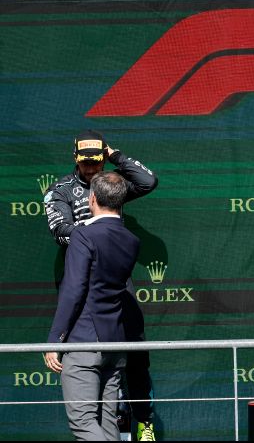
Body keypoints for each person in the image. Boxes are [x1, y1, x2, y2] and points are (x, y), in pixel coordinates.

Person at [44, 130, 158, 441]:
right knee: (92, 403)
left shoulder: (111, 185)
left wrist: (115, 155)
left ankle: (143, 420)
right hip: (84, 279)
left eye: (97, 163)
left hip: (116, 284)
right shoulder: (62, 190)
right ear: (75, 160)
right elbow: (61, 231)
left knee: (134, 351)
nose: (92, 169)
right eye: (86, 164)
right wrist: (98, 229)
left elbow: (147, 181)